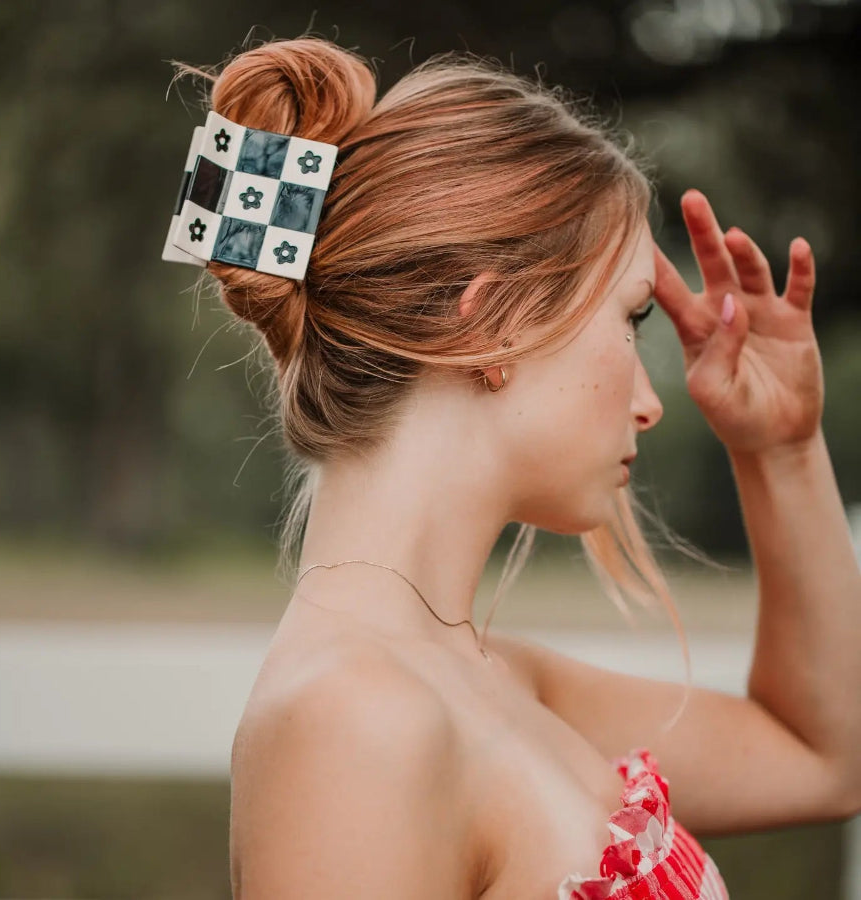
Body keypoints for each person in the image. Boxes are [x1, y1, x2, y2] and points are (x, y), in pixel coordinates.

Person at [173, 36, 861, 900]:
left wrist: (783, 449)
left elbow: (822, 759)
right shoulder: (353, 719)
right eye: (632, 319)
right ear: (494, 321)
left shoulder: (488, 678)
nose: (650, 399)